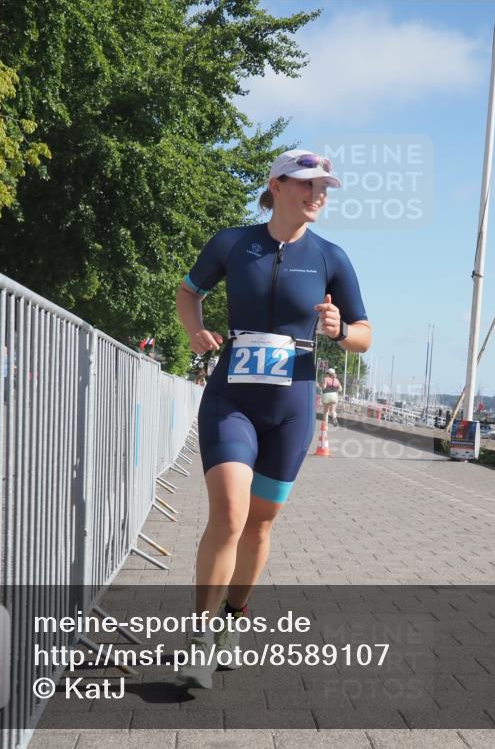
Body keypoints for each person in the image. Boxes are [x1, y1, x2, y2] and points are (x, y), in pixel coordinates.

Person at [174, 148, 372, 688]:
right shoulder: (234, 244)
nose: (317, 194)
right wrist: (194, 330)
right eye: (307, 184)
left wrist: (339, 330)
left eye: (323, 187)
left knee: (260, 523)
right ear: (277, 185)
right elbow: (189, 292)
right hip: (231, 401)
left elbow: (364, 334)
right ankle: (199, 638)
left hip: (291, 409)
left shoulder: (331, 257)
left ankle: (233, 620)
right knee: (229, 514)